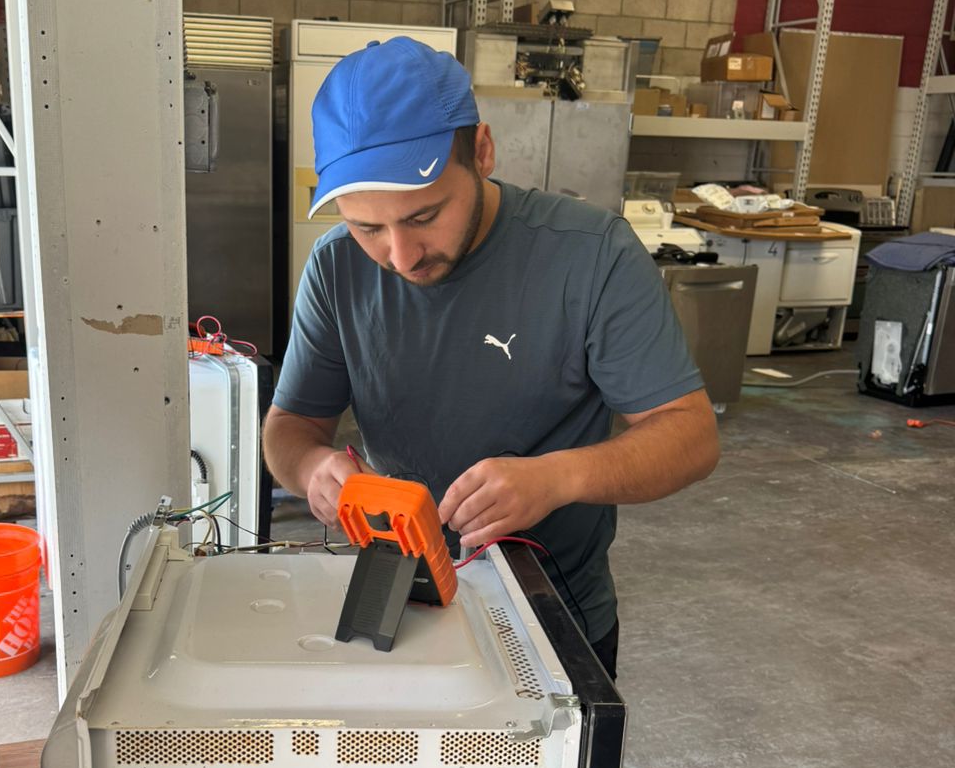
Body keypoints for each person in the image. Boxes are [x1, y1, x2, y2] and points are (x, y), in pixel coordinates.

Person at [264, 36, 719, 678]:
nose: (400, 256)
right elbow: (289, 429)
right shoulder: (336, 268)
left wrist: (557, 478)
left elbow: (692, 435)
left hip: (550, 614)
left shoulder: (589, 256)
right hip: (400, 600)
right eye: (368, 227)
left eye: (424, 215)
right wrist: (312, 469)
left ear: (481, 151)